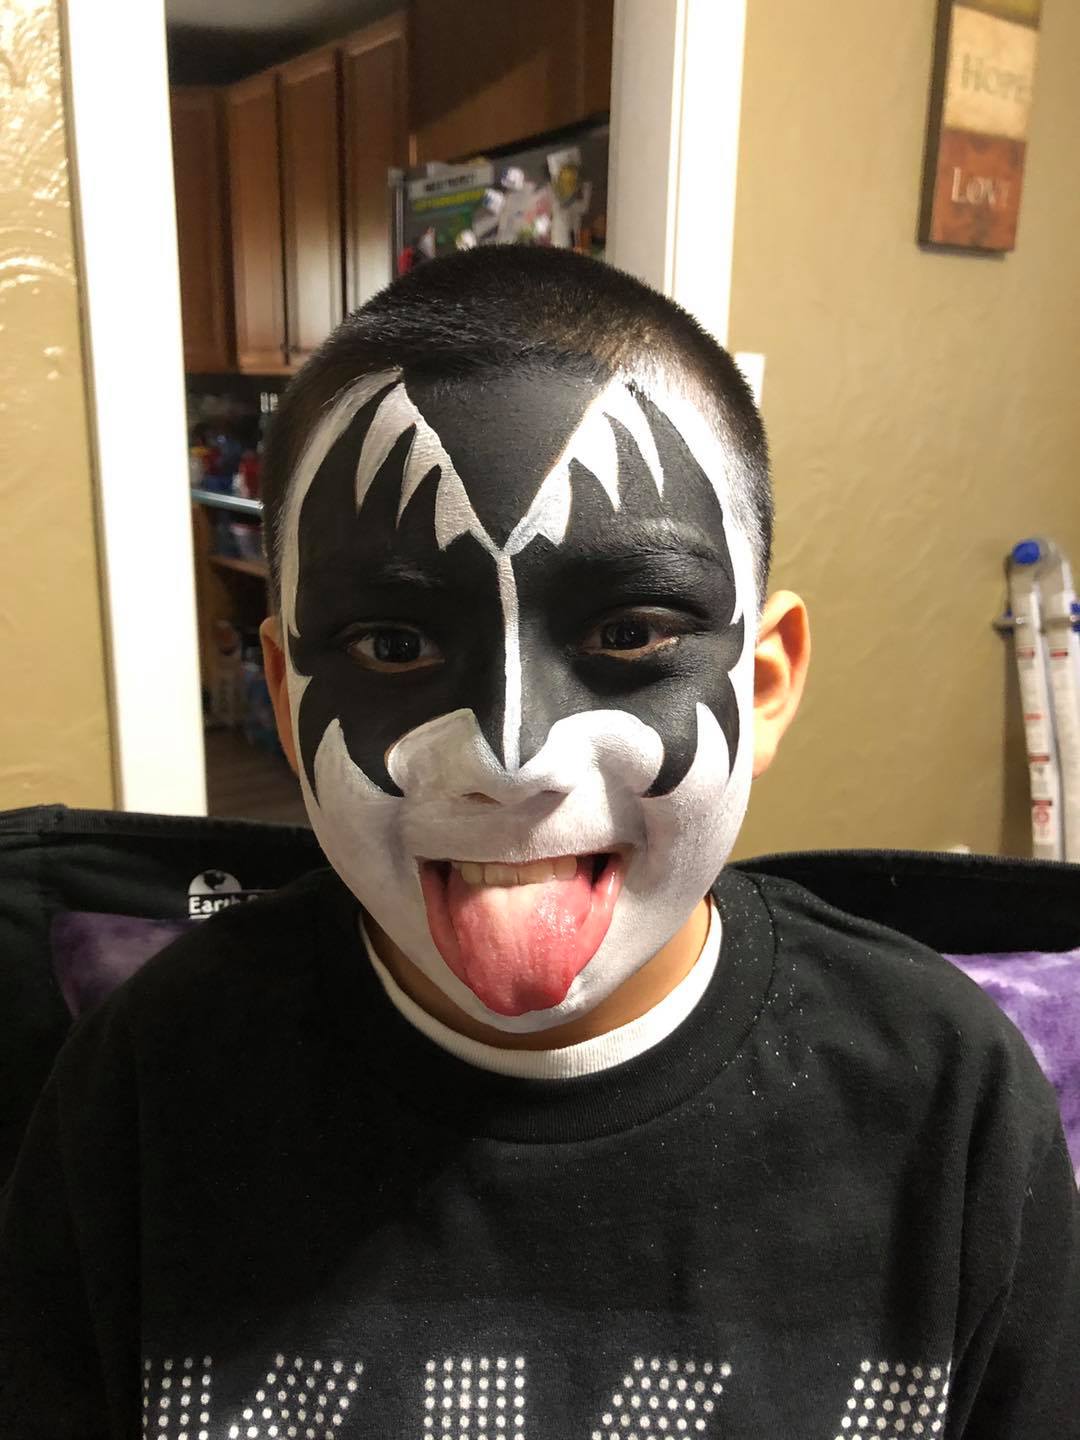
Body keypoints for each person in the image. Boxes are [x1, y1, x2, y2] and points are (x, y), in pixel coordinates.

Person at [1, 247, 1076, 1439]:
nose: (513, 761)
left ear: (764, 685)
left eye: (630, 631)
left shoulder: (951, 1103)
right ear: (285, 701)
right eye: (395, 647)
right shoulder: (148, 1088)